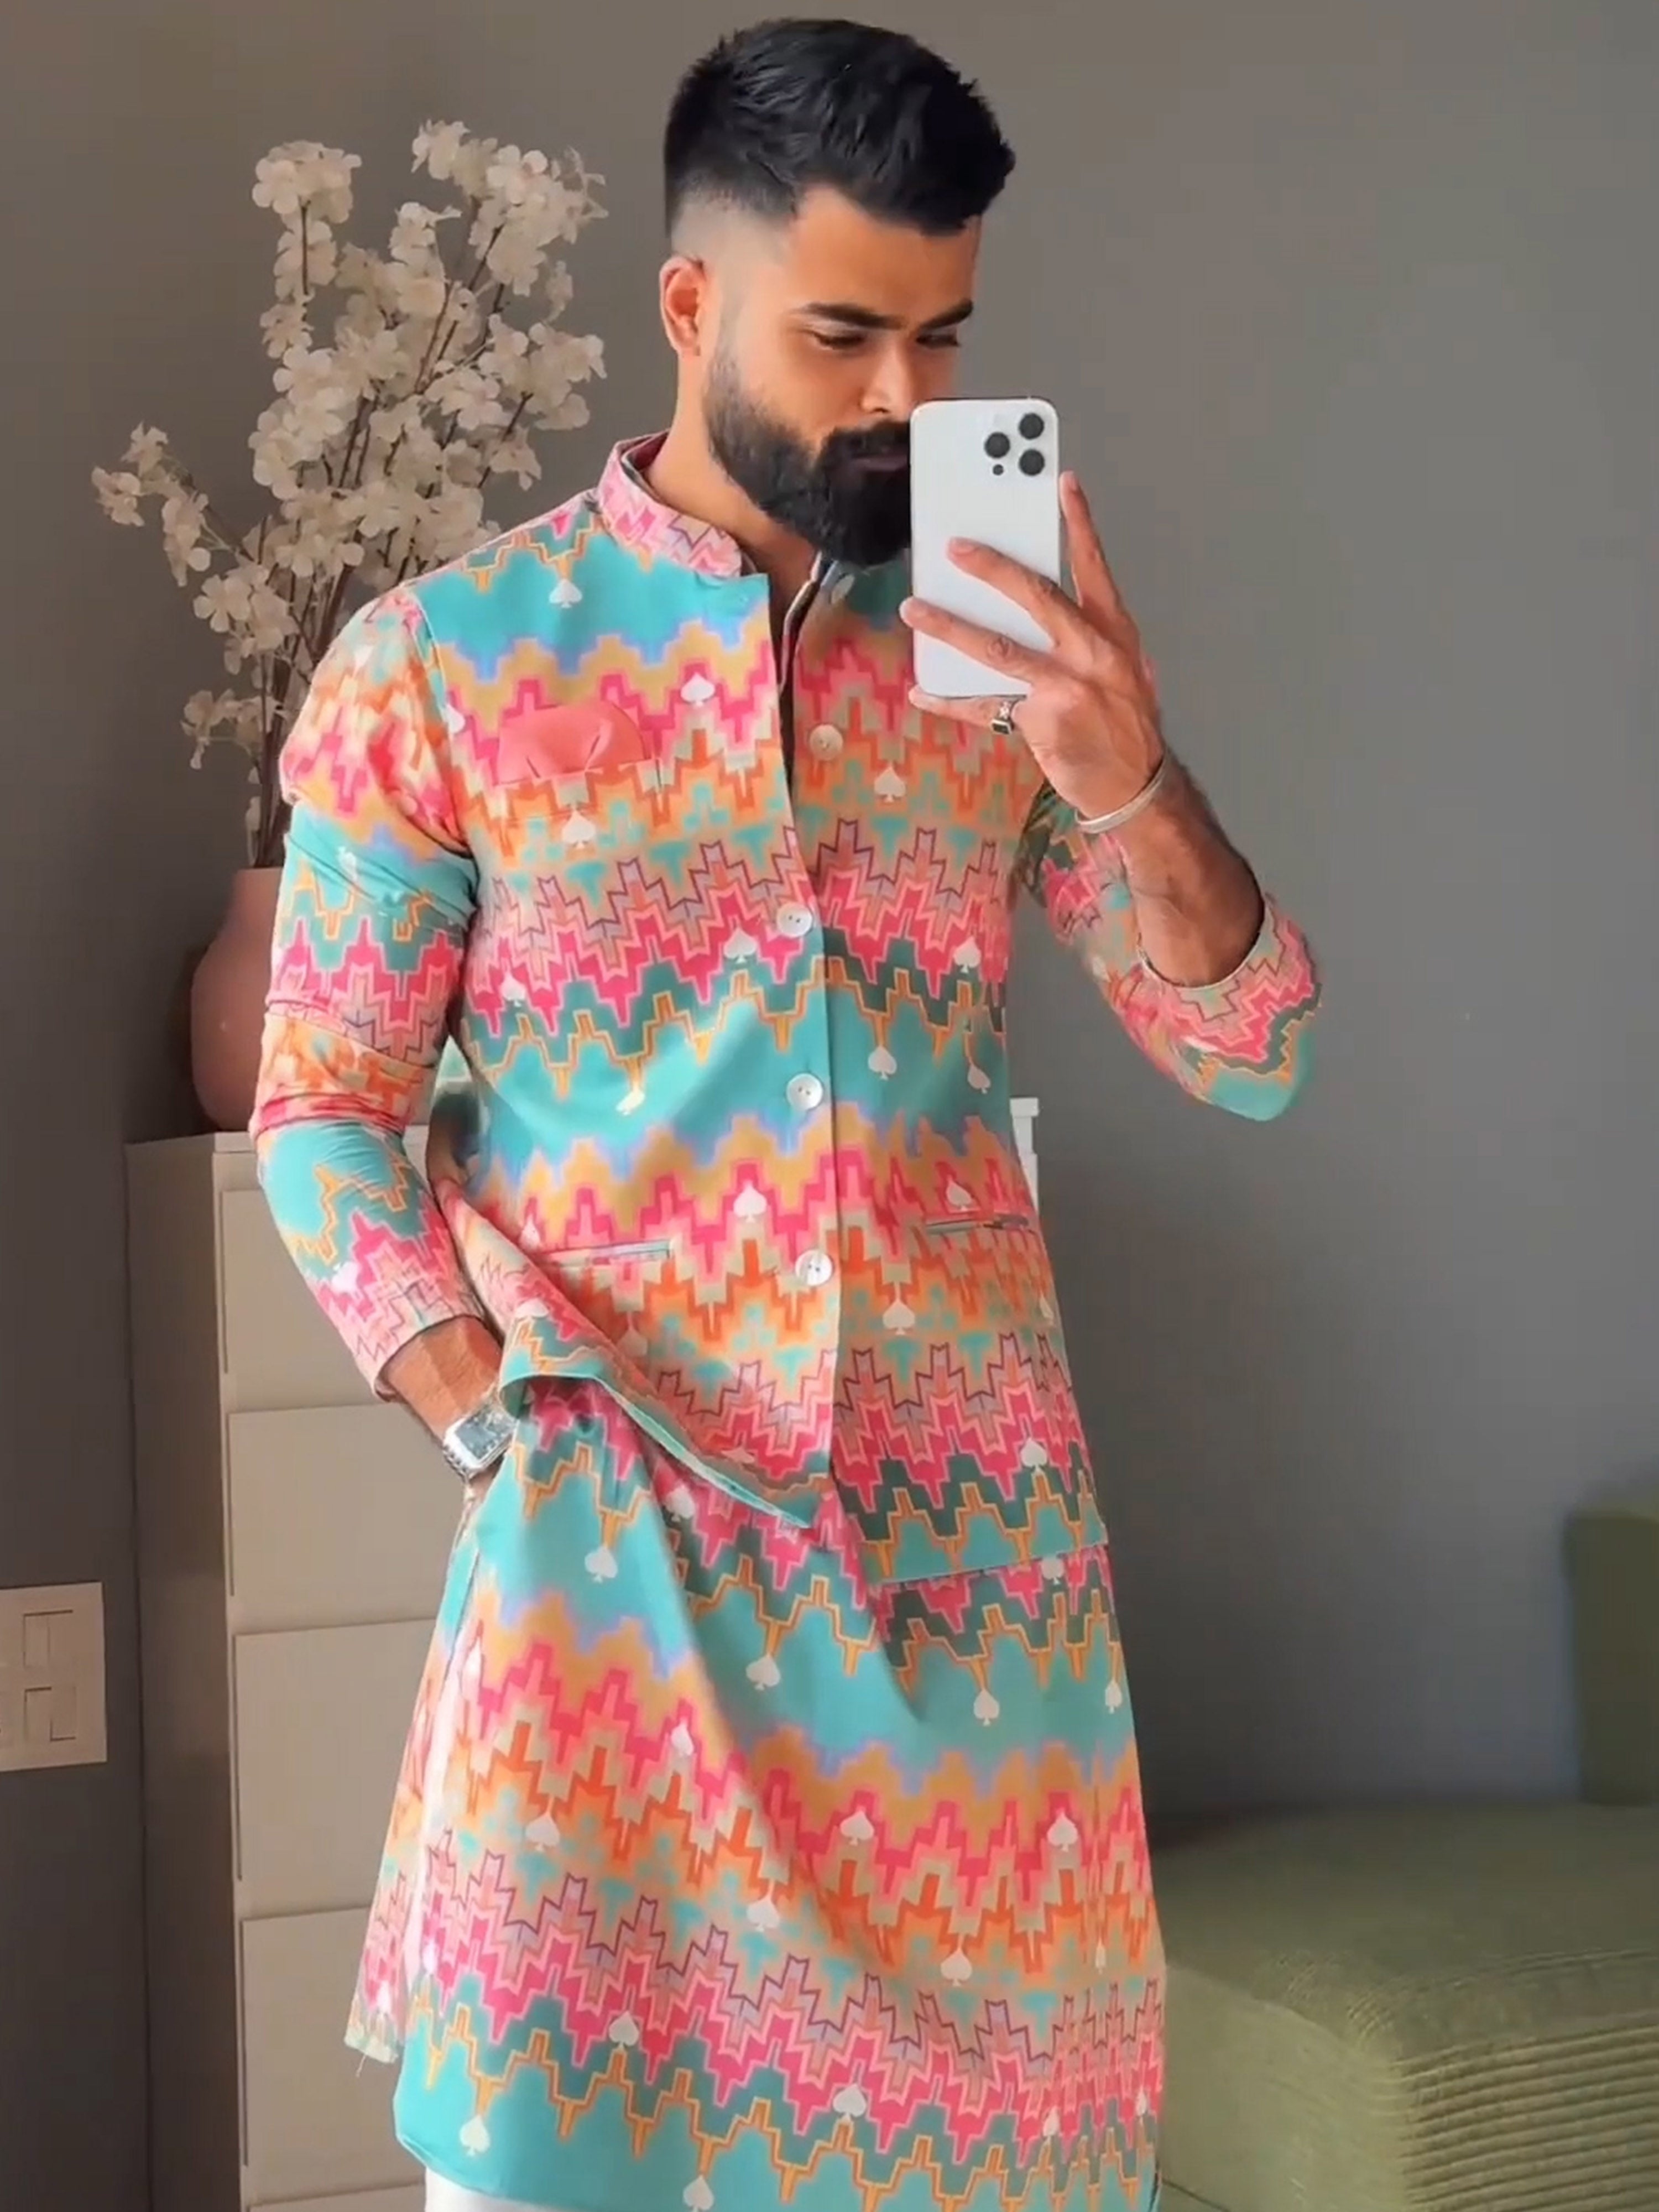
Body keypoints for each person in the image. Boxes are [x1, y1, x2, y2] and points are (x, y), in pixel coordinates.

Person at [252, 18, 1320, 2212]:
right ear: (689, 303)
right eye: (843, 336)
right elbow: (326, 1111)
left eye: (945, 338)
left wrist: (1129, 771)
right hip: (611, 1599)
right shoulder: (443, 665)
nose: (903, 400)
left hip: (970, 1616)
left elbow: (1252, 1044)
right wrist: (491, 1415)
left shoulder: (996, 661)